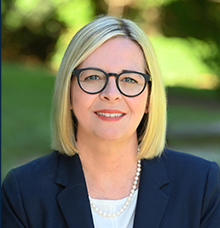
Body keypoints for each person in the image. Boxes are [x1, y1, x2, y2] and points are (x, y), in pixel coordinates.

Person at [1, 15, 220, 228]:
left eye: (129, 80)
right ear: (68, 93)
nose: (112, 94)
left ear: (148, 99)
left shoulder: (203, 186)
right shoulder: (23, 192)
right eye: (93, 77)